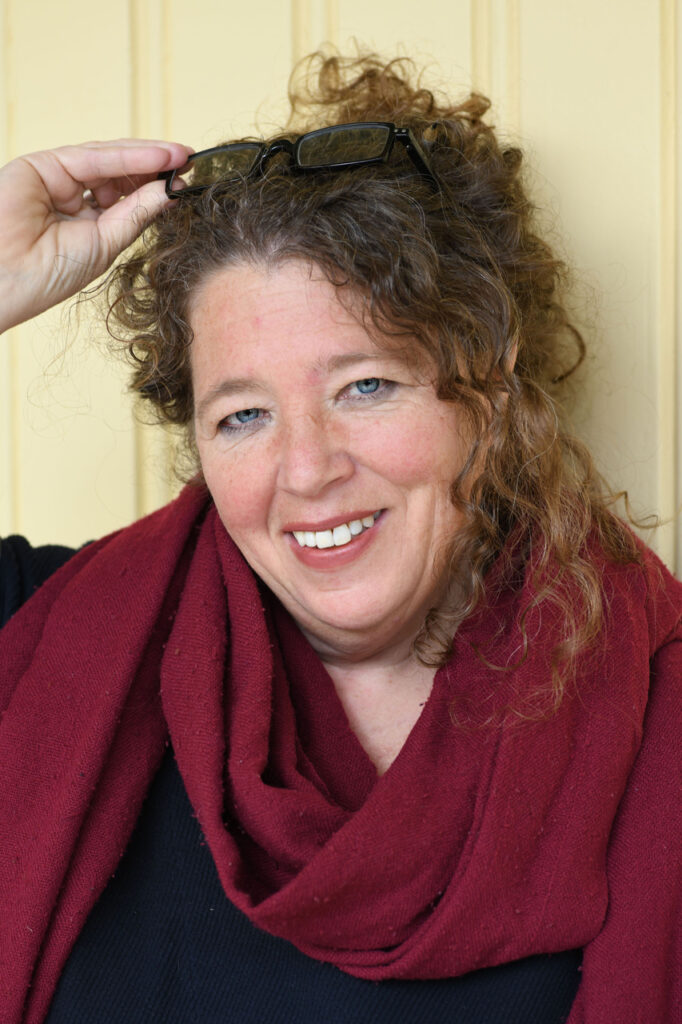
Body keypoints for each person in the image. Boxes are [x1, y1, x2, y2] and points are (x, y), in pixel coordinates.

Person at [0, 53, 679, 1024]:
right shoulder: (48, 639)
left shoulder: (652, 702)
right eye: (242, 415)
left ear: (487, 387)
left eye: (365, 387)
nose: (306, 469)